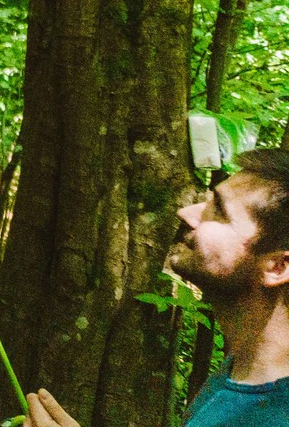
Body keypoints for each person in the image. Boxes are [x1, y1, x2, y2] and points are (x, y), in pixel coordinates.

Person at [27, 148, 289, 427]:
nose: (185, 213)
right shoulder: (244, 371)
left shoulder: (276, 410)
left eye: (219, 211)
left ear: (277, 267)